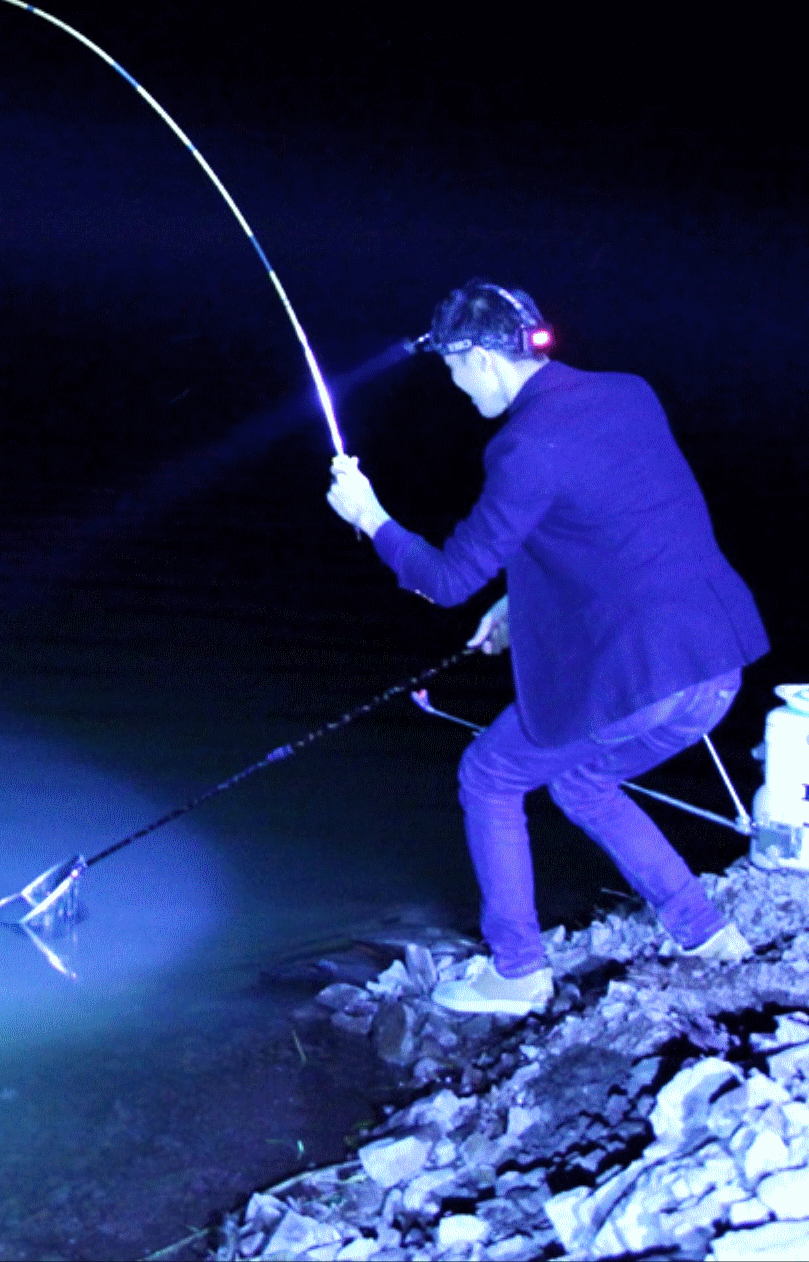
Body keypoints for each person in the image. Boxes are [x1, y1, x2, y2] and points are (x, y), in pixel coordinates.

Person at [325, 280, 768, 1016]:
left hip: (642, 676)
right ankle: (705, 933)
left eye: (455, 372)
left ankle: (519, 972)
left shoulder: (524, 446)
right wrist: (516, 604)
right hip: (716, 665)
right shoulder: (630, 393)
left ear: (478, 358)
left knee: (490, 776)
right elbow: (606, 528)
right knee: (583, 783)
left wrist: (369, 517)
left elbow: (446, 579)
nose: (459, 391)